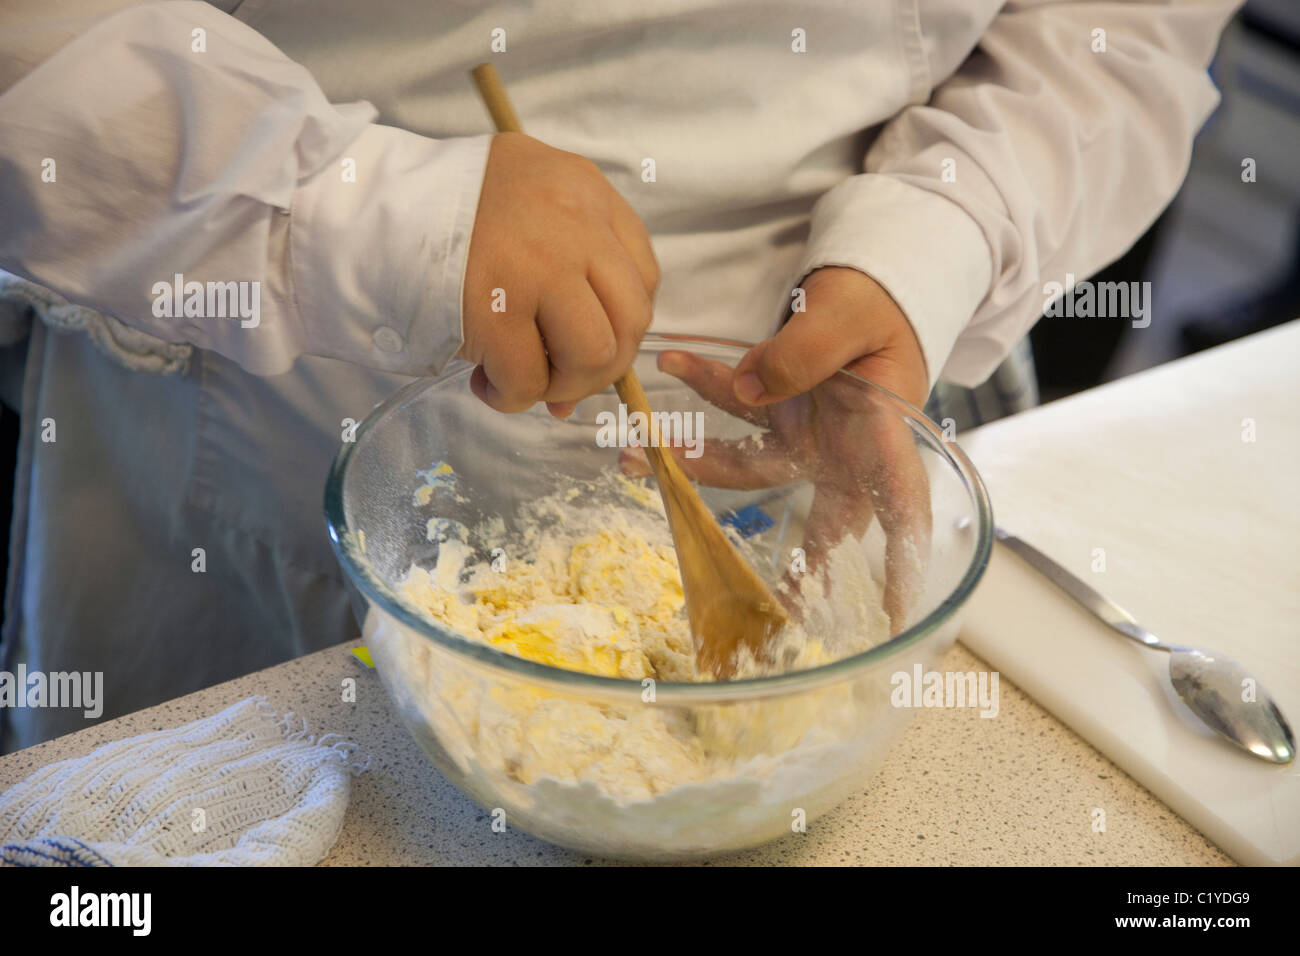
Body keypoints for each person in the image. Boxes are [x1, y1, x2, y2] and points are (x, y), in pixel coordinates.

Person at [0, 0, 1238, 751]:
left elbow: (1123, 26)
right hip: (277, 395)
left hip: (859, 411)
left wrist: (932, 244)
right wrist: (353, 206)